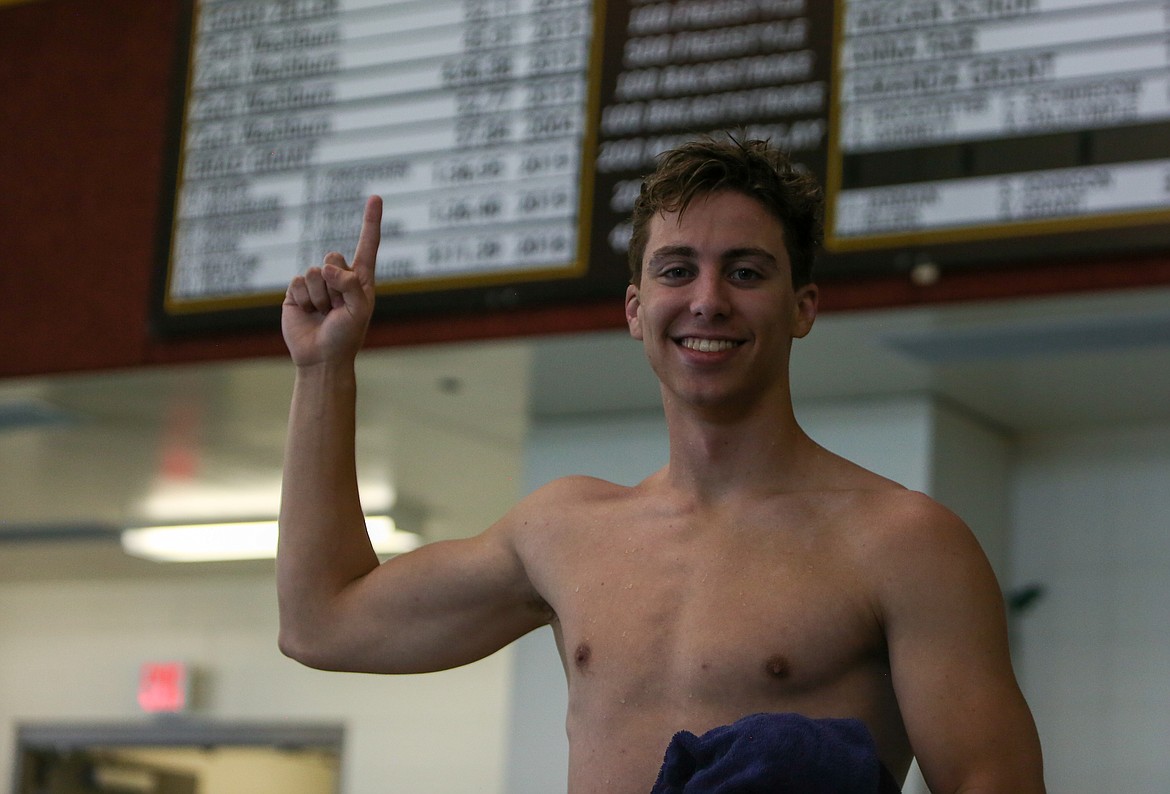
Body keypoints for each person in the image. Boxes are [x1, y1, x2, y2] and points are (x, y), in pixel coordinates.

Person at [278, 135, 1046, 792]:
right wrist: (322, 370)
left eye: (745, 272)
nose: (708, 300)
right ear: (636, 309)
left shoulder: (902, 542)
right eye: (677, 270)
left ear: (803, 306)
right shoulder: (563, 529)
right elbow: (323, 623)